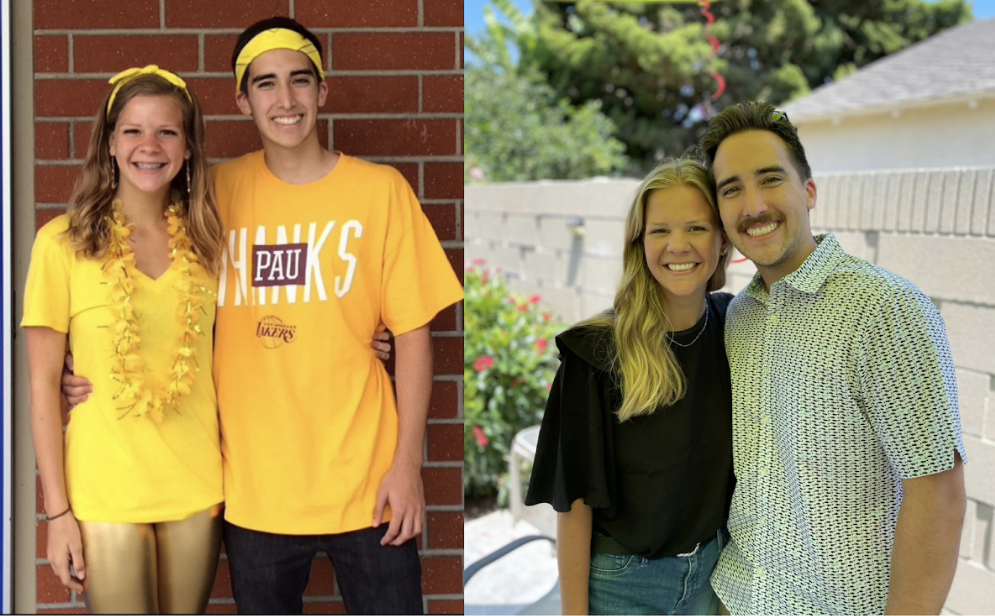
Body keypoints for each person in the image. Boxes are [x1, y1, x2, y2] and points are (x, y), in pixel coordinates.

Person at [206, 17, 463, 615]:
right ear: (243, 100)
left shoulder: (381, 192)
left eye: (300, 80)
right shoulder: (214, 194)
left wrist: (408, 468)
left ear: (323, 90)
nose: (286, 99)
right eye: (265, 84)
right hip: (255, 489)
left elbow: (413, 336)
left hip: (370, 484)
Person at [698, 101, 967, 614]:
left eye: (770, 179)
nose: (753, 205)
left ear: (810, 191)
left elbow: (938, 493)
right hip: (735, 597)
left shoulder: (883, 308)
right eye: (731, 189)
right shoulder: (740, 317)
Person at [23, 66, 225, 613]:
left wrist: (369, 338)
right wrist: (57, 514)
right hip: (104, 487)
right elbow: (42, 385)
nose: (149, 146)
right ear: (110, 143)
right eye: (133, 131)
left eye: (167, 131)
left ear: (188, 147)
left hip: (196, 483)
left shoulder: (210, 242)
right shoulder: (61, 244)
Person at [526, 157, 735, 615]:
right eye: (659, 231)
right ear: (639, 243)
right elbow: (574, 504)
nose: (677, 246)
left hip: (713, 578)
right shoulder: (596, 353)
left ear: (723, 241)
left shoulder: (734, 327)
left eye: (696, 228)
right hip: (622, 586)